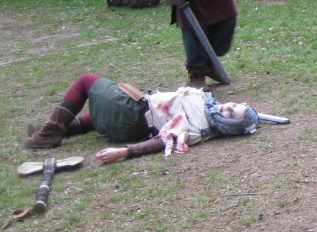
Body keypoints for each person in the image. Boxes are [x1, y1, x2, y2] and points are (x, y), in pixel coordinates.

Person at [23, 74, 259, 161]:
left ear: (228, 125)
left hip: (131, 115)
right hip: (131, 114)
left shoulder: (197, 127)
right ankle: (63, 128)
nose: (227, 107)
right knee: (99, 115)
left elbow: (163, 140)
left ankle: (49, 134)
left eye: (230, 113)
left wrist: (123, 152)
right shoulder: (209, 108)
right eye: (234, 105)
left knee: (86, 82)